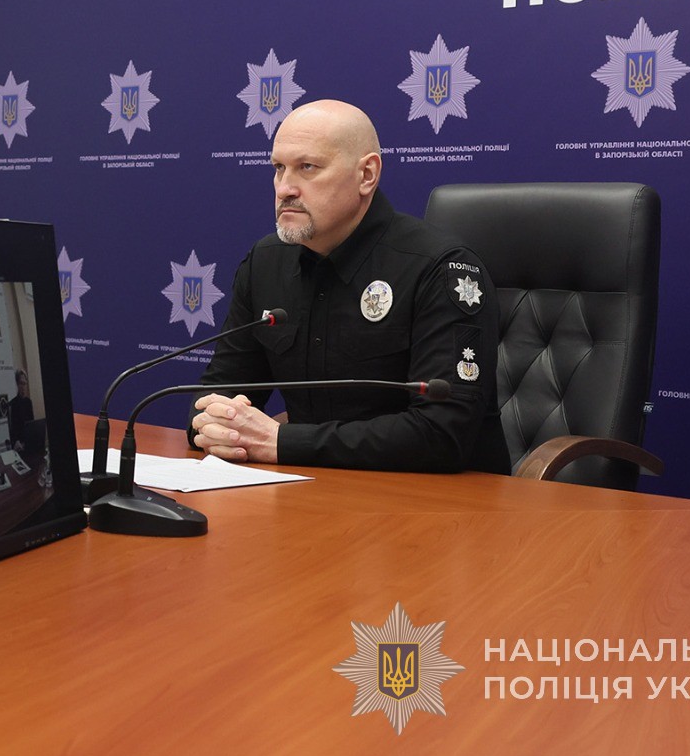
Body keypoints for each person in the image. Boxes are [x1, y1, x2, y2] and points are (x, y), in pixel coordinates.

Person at [188, 99, 510, 474]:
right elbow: (216, 393)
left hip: (441, 499)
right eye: (278, 168)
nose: (285, 188)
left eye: (307, 167)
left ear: (366, 175)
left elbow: (442, 434)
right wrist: (217, 424)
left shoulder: (439, 268)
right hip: (313, 486)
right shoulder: (265, 262)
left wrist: (281, 442)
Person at [5, 368, 38, 454]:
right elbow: (13, 431)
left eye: (24, 383)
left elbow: (31, 424)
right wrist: (17, 442)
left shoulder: (28, 402)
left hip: (29, 443)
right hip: (18, 445)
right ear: (17, 384)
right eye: (21, 383)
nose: (23, 386)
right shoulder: (12, 404)